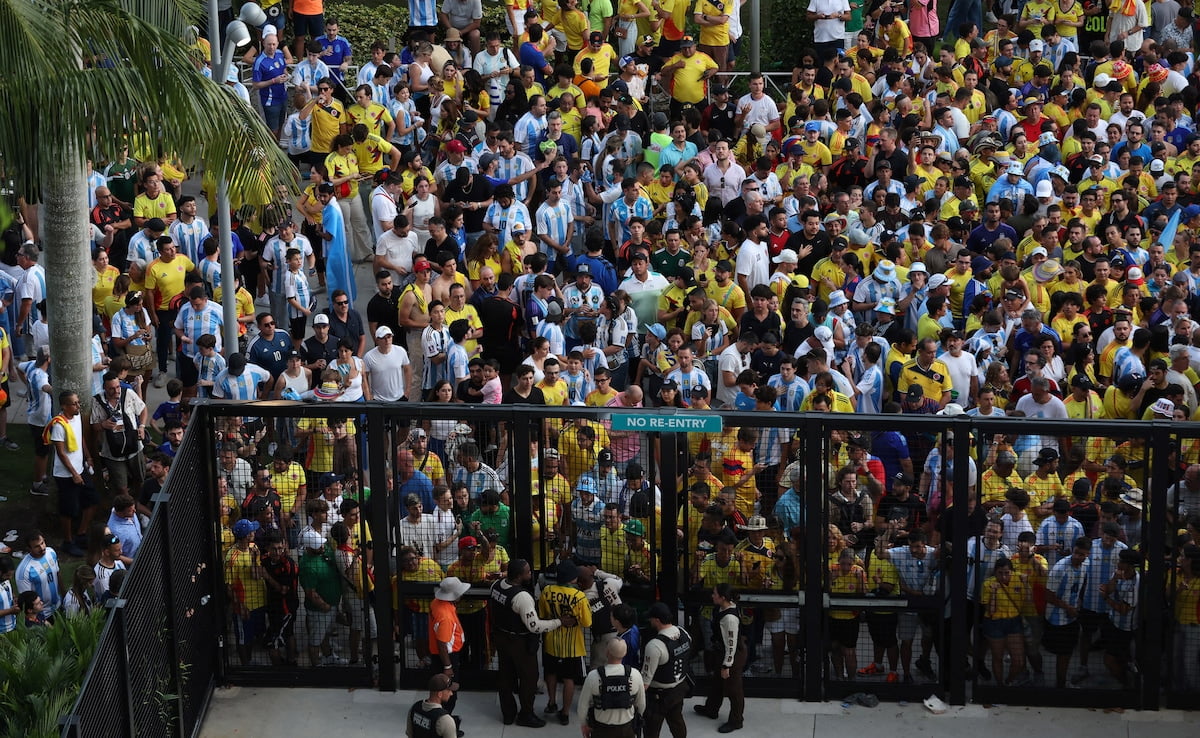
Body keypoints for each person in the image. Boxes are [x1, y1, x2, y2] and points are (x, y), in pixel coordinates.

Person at [489, 558, 577, 727]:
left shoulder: (496, 585)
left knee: (505, 676)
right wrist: (559, 622)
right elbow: (534, 626)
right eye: (528, 572)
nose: (531, 573)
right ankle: (526, 714)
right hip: (519, 642)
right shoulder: (522, 597)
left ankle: (508, 714)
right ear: (519, 576)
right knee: (529, 678)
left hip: (501, 637)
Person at [538, 558, 593, 725]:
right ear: (573, 578)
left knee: (551, 673)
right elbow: (587, 622)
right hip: (572, 647)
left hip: (551, 641)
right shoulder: (579, 596)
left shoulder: (547, 591)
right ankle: (565, 713)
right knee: (569, 678)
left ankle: (552, 703)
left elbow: (543, 615)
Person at [695, 582, 744, 733]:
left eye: (714, 594)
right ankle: (711, 709)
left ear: (723, 598)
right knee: (717, 683)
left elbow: (731, 645)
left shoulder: (729, 618)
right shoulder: (724, 607)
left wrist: (726, 666)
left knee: (733, 690)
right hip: (721, 651)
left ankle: (736, 721)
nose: (712, 596)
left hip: (732, 655)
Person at [640, 601, 691, 738]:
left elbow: (645, 682)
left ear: (657, 620)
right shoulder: (683, 632)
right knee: (677, 721)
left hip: (659, 696)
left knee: (651, 728)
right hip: (679, 689)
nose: (649, 621)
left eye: (651, 618)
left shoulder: (655, 646)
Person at [578, 638, 646, 738]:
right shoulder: (635, 674)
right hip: (626, 728)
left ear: (607, 652)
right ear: (625, 653)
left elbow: (582, 706)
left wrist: (584, 724)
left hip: (601, 728)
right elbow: (641, 704)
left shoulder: (593, 676)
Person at [430, 576, 471, 716]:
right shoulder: (446, 616)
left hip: (438, 654)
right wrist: (448, 667)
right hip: (447, 657)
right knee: (449, 692)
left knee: (440, 688)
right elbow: (442, 644)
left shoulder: (436, 603)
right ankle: (444, 720)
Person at [15, 529, 61, 619]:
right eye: (36, 546)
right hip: (43, 615)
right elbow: (27, 600)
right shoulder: (24, 571)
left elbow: (58, 573)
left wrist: (64, 594)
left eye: (42, 543)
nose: (42, 548)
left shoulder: (51, 552)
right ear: (29, 549)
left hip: (59, 605)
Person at [406, 673, 459, 738]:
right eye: (448, 691)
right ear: (440, 694)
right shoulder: (445, 720)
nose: (451, 693)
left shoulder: (414, 708)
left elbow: (410, 735)